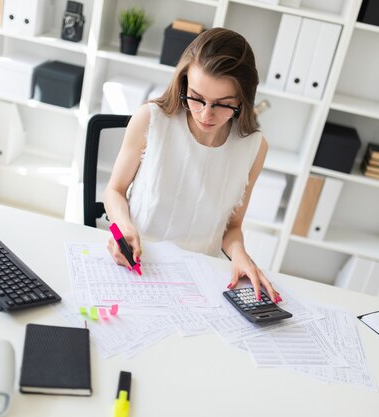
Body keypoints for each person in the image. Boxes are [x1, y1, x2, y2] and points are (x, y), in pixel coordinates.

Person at [103, 28, 281, 303]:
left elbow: (231, 228)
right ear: (184, 81)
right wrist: (124, 227)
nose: (205, 114)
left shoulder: (253, 148)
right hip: (139, 262)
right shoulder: (151, 120)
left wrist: (240, 255)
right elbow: (114, 191)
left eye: (223, 104)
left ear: (242, 101)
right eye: (196, 97)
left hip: (200, 278)